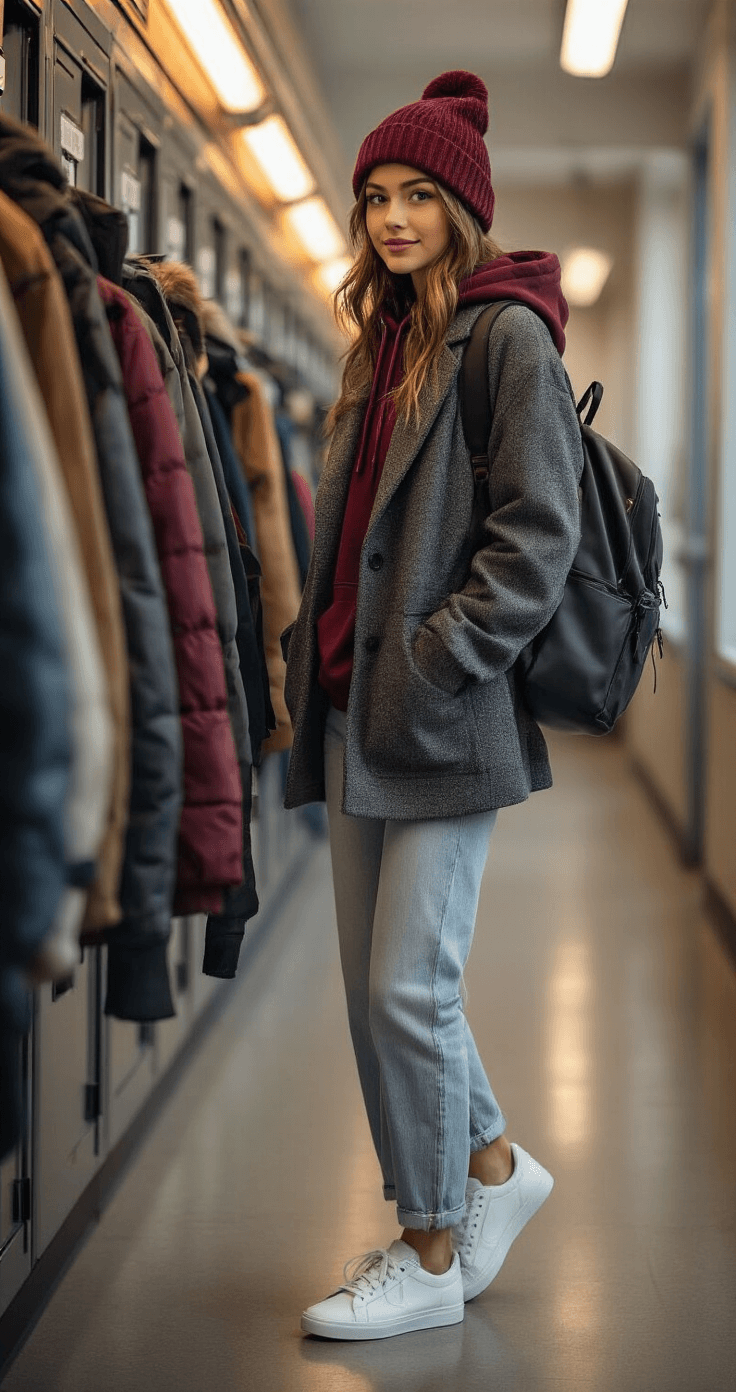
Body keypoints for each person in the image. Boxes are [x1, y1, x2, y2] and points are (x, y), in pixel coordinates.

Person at [282, 70, 584, 1341]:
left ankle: (427, 1243)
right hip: (358, 712)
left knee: (413, 985)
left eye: (414, 195)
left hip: (441, 716)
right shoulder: (381, 341)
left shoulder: (503, 336)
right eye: (374, 198)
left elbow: (538, 534)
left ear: (461, 207)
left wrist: (440, 657)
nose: (390, 217)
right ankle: (497, 1173)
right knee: (375, 991)